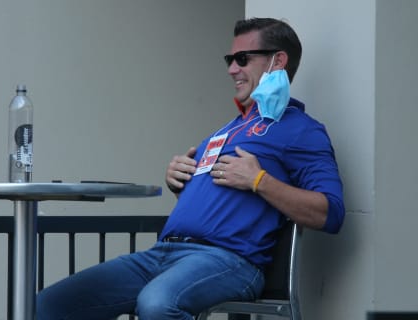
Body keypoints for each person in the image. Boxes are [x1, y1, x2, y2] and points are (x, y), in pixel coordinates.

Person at [37, 17, 345, 320]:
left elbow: (330, 213)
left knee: (158, 304)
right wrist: (181, 184)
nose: (231, 69)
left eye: (242, 59)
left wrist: (259, 180)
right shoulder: (227, 130)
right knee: (49, 304)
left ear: (277, 61)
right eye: (230, 59)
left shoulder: (301, 129)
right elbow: (218, 202)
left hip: (229, 261)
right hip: (163, 253)